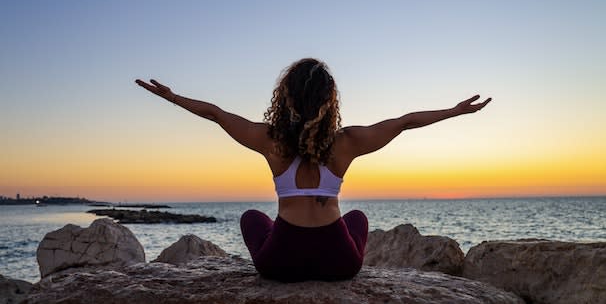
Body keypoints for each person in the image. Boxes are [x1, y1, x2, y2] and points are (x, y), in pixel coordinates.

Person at [136, 57, 491, 282]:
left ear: (284, 98)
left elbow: (215, 113)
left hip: (279, 264)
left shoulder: (269, 140)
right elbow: (406, 122)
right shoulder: (347, 142)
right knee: (358, 220)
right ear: (329, 101)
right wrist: (454, 111)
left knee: (251, 218)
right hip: (339, 264)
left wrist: (172, 97)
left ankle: (284, 236)